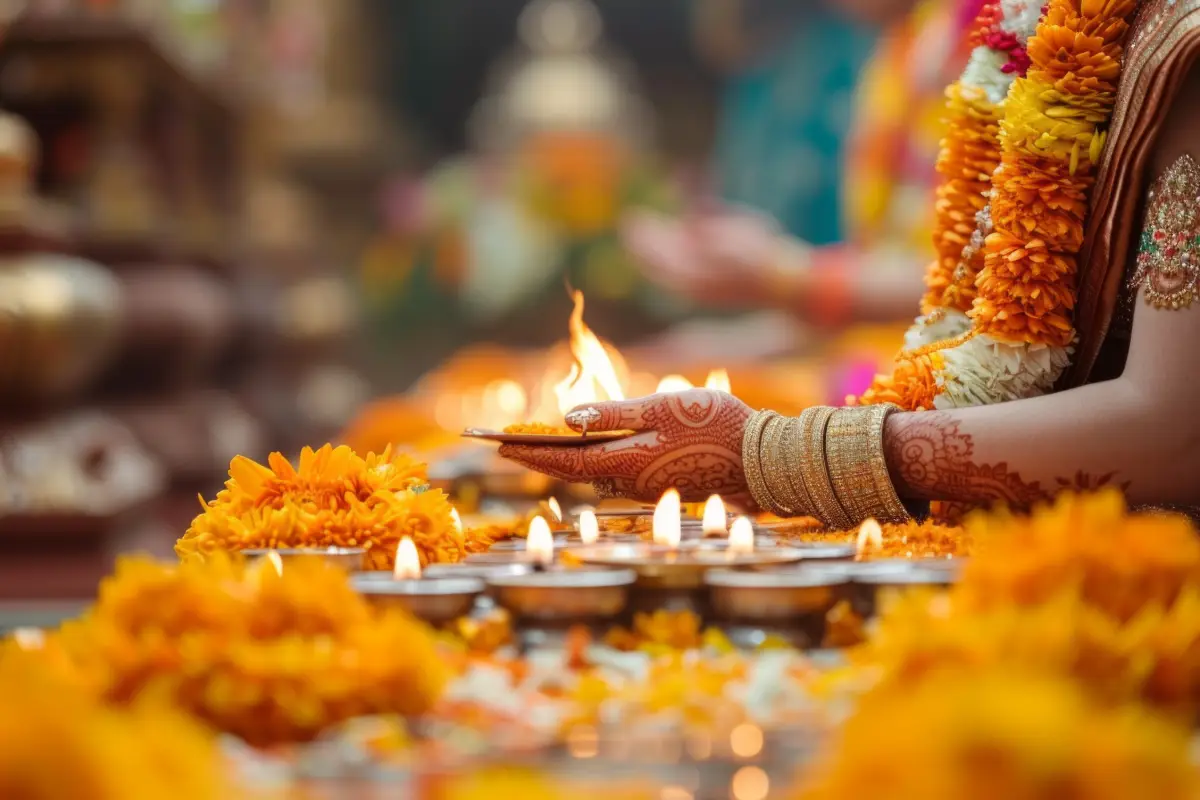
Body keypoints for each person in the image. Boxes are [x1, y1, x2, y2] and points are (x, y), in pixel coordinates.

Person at [499, 1, 1200, 521]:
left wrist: (776, 452)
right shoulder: (1002, 34)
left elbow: (1177, 431)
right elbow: (961, 296)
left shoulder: (1174, 40)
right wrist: (744, 350)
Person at [622, 0, 980, 330]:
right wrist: (726, 340)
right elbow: (875, 275)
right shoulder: (902, 44)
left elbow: (972, 280)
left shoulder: (989, 34)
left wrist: (781, 274)